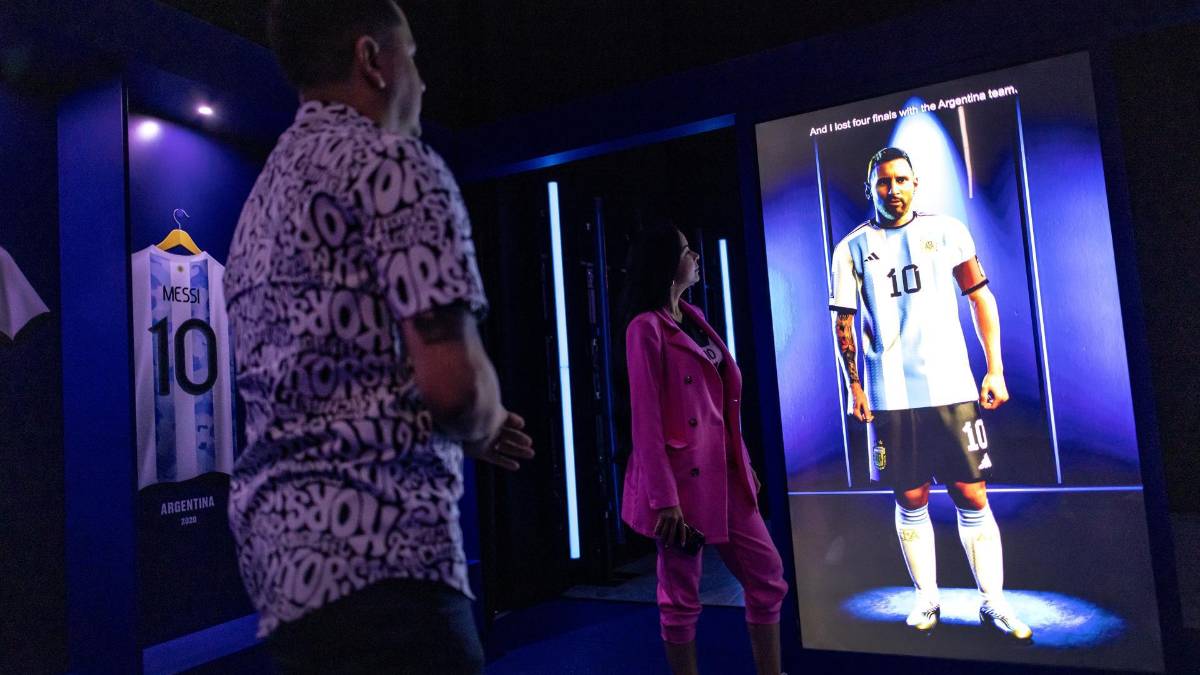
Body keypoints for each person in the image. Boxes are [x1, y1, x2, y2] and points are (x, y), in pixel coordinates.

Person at [223, 2, 533, 673]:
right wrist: (482, 421)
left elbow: (330, 395)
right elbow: (456, 389)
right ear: (372, 60)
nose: (422, 80)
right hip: (389, 565)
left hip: (283, 580)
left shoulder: (258, 210)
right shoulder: (395, 165)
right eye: (412, 57)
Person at [828, 146, 1032, 641]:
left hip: (951, 385)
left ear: (915, 183)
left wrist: (995, 369)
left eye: (901, 180)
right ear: (870, 188)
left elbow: (981, 297)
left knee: (971, 493)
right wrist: (854, 385)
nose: (892, 189)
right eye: (883, 182)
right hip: (891, 393)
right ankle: (927, 598)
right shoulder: (851, 248)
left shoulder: (947, 231)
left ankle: (993, 601)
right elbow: (844, 322)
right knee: (911, 495)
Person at [622, 223, 789, 675]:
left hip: (725, 472)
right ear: (664, 263)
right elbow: (646, 423)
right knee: (680, 596)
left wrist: (743, 462)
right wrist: (664, 500)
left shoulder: (693, 316)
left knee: (767, 577)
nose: (695, 257)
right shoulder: (645, 328)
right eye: (686, 251)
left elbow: (723, 405)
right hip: (680, 483)